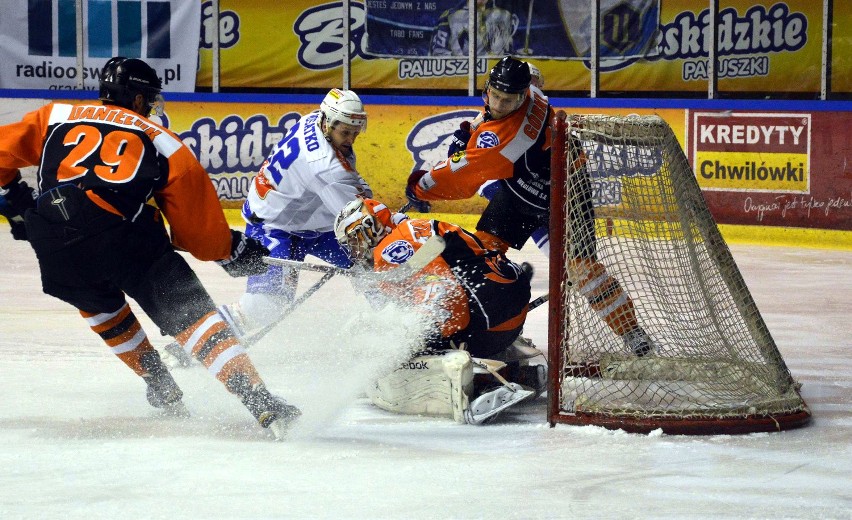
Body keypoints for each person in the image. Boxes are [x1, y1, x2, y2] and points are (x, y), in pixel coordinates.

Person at [0, 56, 299, 439]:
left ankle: (160, 384)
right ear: (139, 100)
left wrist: (14, 197)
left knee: (97, 301)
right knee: (191, 314)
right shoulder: (164, 142)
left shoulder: (55, 114)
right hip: (119, 235)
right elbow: (199, 236)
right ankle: (261, 402)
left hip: (52, 237)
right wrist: (231, 252)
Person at [405, 55, 654, 356]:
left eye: (506, 100)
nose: (497, 104)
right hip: (522, 194)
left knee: (584, 271)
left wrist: (421, 186)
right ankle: (494, 329)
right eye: (494, 95)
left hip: (568, 195)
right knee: (481, 256)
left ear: (523, 95)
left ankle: (633, 334)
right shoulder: (534, 96)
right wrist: (471, 134)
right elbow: (487, 130)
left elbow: (463, 177)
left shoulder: (502, 141)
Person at [333, 197, 546, 424]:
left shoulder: (392, 247)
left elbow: (441, 291)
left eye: (354, 241)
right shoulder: (411, 229)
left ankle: (483, 384)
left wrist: (415, 340)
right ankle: (517, 372)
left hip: (486, 314)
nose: (354, 251)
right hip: (505, 309)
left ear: (370, 228)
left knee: (408, 344)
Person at [217, 88, 373, 340]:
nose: (351, 139)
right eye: (345, 132)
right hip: (274, 225)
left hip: (313, 222)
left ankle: (390, 323)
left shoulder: (313, 118)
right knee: (263, 308)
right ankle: (196, 338)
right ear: (328, 123)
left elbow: (347, 186)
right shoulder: (324, 166)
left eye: (355, 133)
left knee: (375, 266)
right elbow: (359, 219)